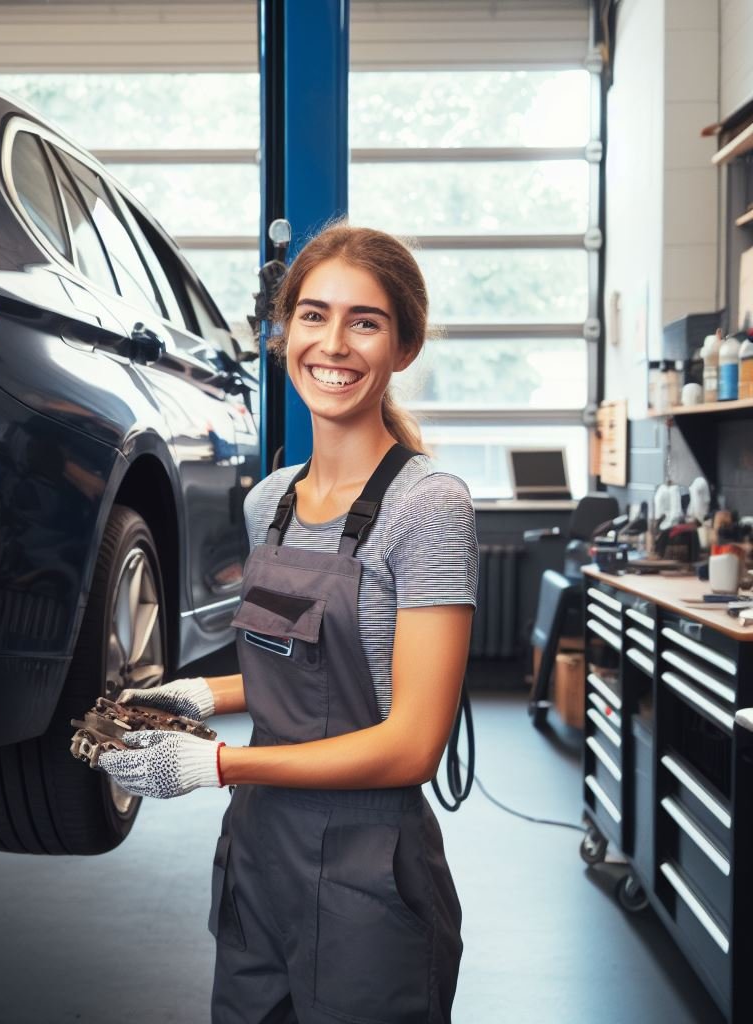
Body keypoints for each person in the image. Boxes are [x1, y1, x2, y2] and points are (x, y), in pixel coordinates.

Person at [98, 223, 479, 1024]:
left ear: (403, 347)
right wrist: (199, 693)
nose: (333, 344)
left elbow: (412, 743)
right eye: (313, 315)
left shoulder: (428, 507)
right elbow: (300, 669)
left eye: (364, 321)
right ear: (283, 334)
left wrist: (217, 767)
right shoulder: (267, 503)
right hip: (258, 858)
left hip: (366, 873)